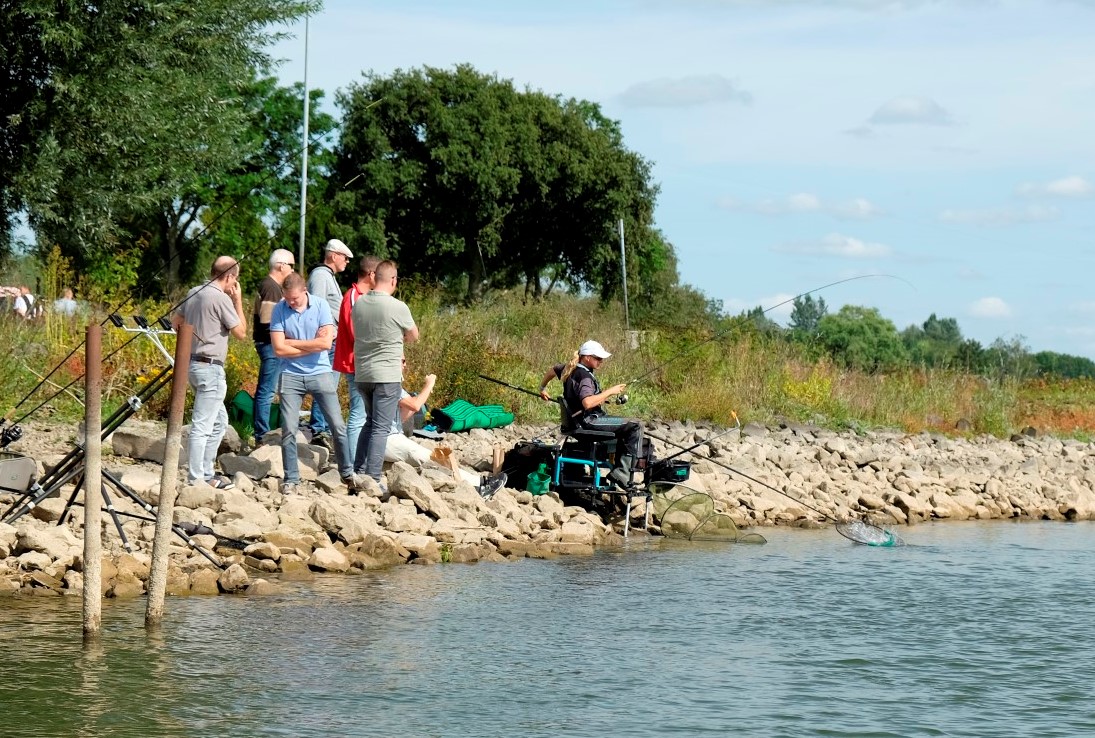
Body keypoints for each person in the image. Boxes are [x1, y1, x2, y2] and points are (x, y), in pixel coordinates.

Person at [270, 271, 353, 495]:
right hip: (290, 375)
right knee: (288, 428)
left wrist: (293, 343)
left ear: (304, 291)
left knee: (337, 425)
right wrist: (311, 343)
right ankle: (291, 479)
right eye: (287, 298)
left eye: (294, 298)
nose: (290, 302)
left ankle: (347, 473)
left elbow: (326, 344)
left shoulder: (320, 305)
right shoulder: (279, 308)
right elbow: (278, 349)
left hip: (320, 372)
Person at [172, 256, 247, 489]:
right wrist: (238, 301)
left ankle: (206, 471)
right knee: (203, 425)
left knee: (219, 422)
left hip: (192, 364)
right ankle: (198, 478)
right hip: (211, 367)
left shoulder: (195, 291)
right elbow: (241, 333)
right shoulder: (221, 298)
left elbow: (176, 321)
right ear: (230, 277)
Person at [384, 357, 508, 497]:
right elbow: (415, 405)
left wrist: (424, 395)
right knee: (432, 456)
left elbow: (402, 417)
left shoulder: (393, 384)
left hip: (391, 435)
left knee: (439, 454)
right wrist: (429, 385)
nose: (406, 365)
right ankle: (479, 485)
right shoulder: (387, 383)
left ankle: (479, 482)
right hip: (386, 438)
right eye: (403, 361)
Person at [538, 339, 642, 487]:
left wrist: (542, 388)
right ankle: (623, 473)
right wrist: (610, 392)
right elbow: (587, 403)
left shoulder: (570, 368)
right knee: (635, 426)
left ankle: (620, 469)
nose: (601, 362)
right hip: (589, 422)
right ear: (587, 357)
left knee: (630, 425)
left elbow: (553, 370)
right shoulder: (584, 377)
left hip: (577, 422)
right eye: (598, 358)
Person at [352, 260, 418, 492]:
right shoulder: (398, 306)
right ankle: (372, 478)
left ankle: (358, 471)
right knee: (381, 427)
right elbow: (413, 335)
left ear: (374, 277)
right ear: (393, 280)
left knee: (369, 423)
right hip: (386, 374)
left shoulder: (358, 304)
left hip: (363, 374)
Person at [305, 238, 353, 449]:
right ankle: (319, 428)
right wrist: (327, 334)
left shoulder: (327, 276)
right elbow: (315, 306)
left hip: (332, 339)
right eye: (345, 257)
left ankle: (321, 427)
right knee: (326, 385)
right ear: (333, 255)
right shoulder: (321, 276)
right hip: (328, 340)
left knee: (329, 385)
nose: (347, 261)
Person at [332, 255, 380, 460]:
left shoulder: (365, 296)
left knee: (367, 416)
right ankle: (351, 464)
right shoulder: (354, 296)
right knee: (358, 415)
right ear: (371, 274)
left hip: (365, 364)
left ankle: (359, 460)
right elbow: (355, 332)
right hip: (355, 364)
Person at [251, 248, 295, 444]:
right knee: (266, 391)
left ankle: (264, 432)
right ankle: (261, 435)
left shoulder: (271, 286)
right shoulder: (271, 287)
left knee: (269, 390)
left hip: (270, 345)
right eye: (291, 266)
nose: (293, 271)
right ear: (281, 265)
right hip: (270, 345)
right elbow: (268, 322)